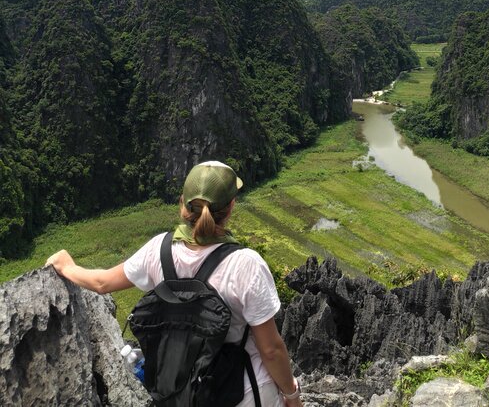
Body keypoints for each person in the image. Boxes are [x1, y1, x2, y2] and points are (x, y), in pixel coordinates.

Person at [46, 161, 302, 407]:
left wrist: (68, 267)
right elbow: (270, 349)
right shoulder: (246, 264)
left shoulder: (159, 250)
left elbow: (102, 283)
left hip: (183, 391)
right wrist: (292, 395)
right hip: (244, 393)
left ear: (182, 204)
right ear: (231, 206)